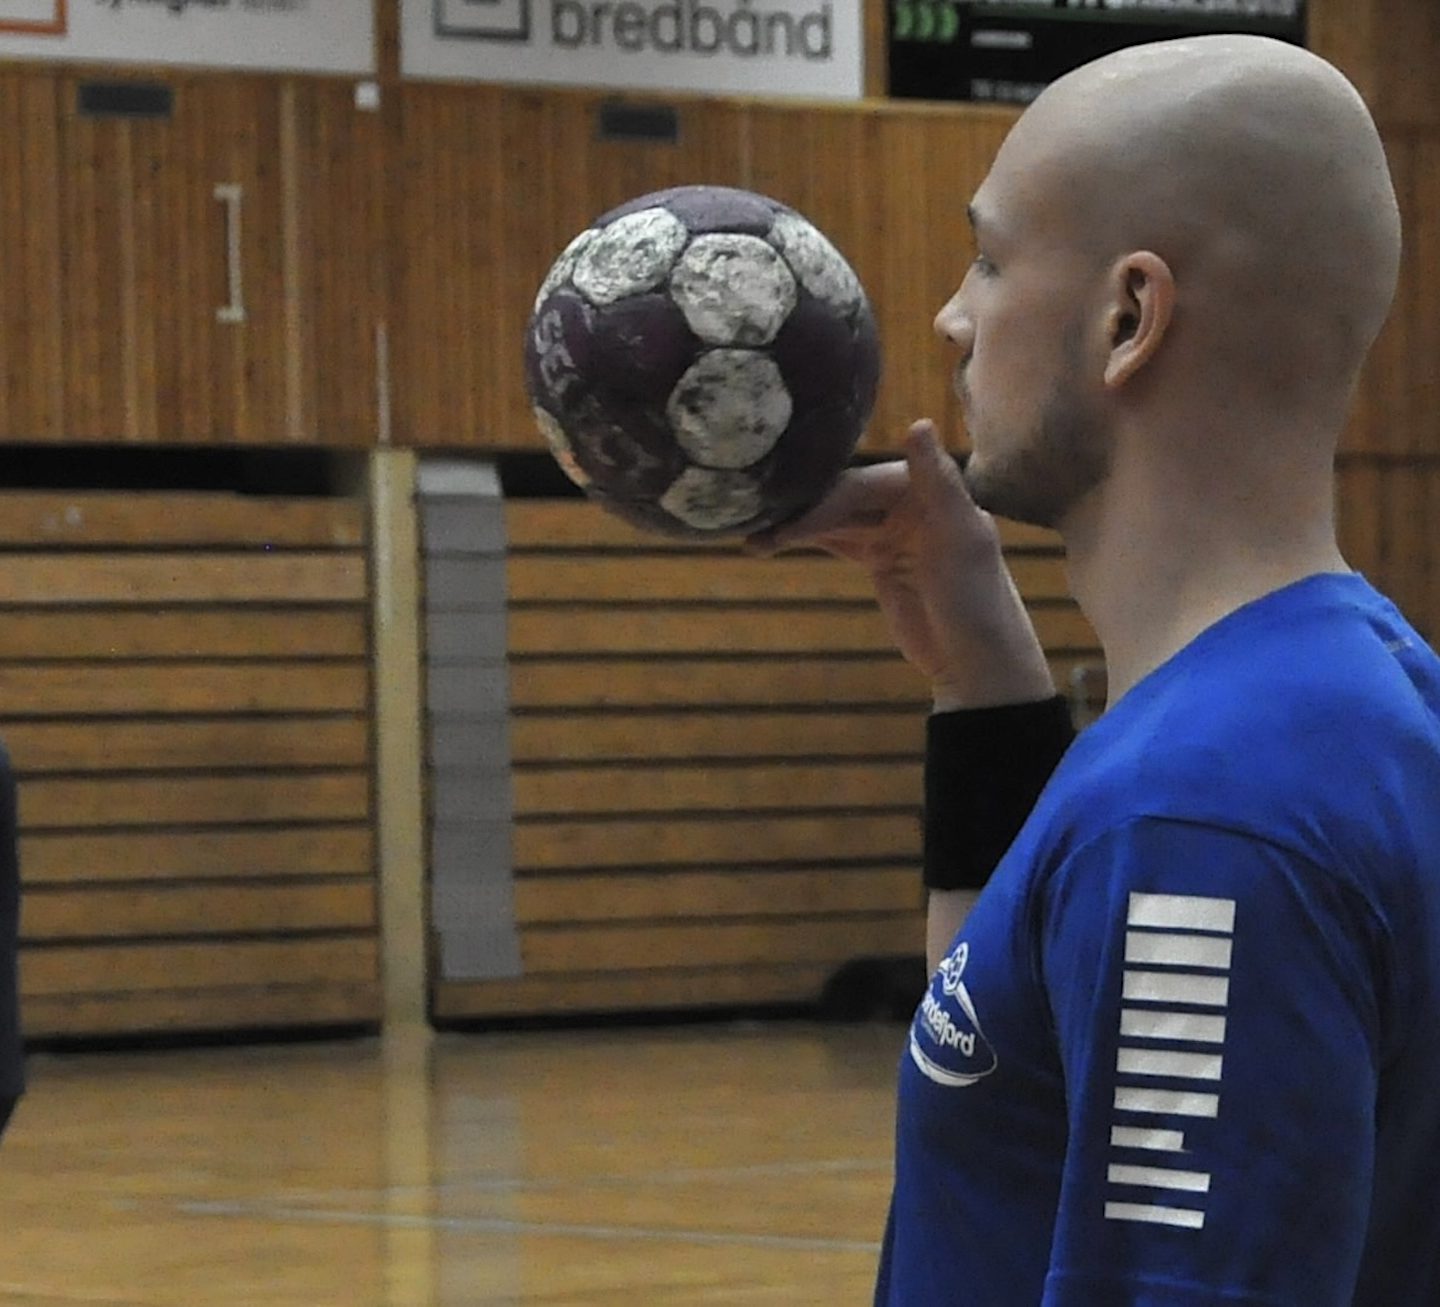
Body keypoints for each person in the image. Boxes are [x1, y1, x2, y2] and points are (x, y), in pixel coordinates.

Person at [750, 33, 1440, 1307]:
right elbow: (1013, 1062)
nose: (954, 316)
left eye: (992, 257)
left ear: (1129, 317)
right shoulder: (1361, 696)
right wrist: (985, 685)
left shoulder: (1203, 808)